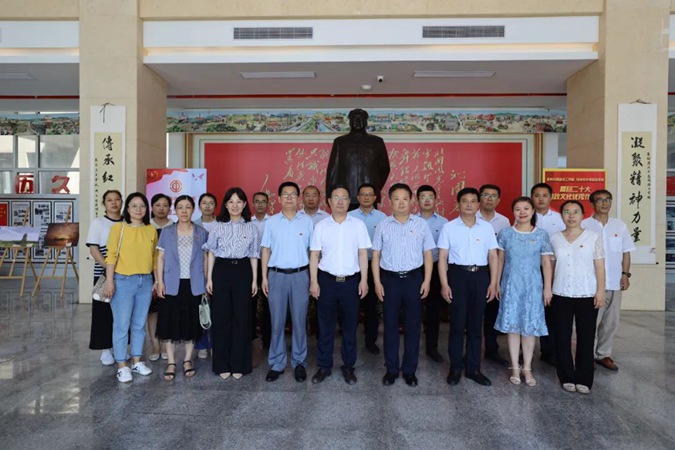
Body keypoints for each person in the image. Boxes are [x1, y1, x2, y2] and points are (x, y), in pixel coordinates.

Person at [372, 183, 434, 387]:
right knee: (390, 325)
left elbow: (427, 254)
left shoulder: (421, 224)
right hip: (389, 280)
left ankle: (409, 370)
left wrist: (426, 280)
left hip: (413, 279)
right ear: (390, 201)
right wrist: (377, 282)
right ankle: (391, 369)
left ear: (411, 201)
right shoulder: (382, 225)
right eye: (396, 199)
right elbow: (376, 255)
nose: (401, 203)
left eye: (405, 199)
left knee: (413, 326)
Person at [309, 186, 371, 384]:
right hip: (326, 282)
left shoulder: (358, 225)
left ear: (349, 201)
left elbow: (363, 253)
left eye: (344, 198)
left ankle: (348, 367)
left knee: (350, 327)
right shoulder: (321, 226)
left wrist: (364, 280)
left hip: (350, 283)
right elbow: (314, 255)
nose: (340, 201)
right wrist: (314, 281)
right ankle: (324, 366)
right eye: (336, 198)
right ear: (329, 201)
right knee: (325, 326)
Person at [438, 187, 499, 387]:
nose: (469, 205)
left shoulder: (486, 228)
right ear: (458, 204)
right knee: (457, 325)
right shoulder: (449, 227)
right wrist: (444, 284)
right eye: (465, 201)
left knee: (475, 325)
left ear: (478, 204)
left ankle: (473, 368)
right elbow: (443, 257)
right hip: (458, 276)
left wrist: (493, 282)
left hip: (480, 276)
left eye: (473, 201)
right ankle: (455, 367)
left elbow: (493, 256)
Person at [495, 197, 553, 387]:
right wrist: (496, 283)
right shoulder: (505, 234)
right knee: (513, 327)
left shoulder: (542, 235)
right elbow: (500, 260)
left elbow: (546, 263)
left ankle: (527, 367)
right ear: (513, 212)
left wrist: (547, 288)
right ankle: (514, 366)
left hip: (533, 287)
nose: (522, 212)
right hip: (511, 285)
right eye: (518, 209)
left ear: (533, 211)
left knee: (530, 327)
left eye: (526, 208)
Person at [550, 200, 605, 394]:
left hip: (587, 293)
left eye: (575, 212)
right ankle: (566, 376)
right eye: (567, 212)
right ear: (561, 215)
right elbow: (551, 266)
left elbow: (600, 266)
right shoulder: (555, 238)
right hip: (561, 292)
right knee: (562, 337)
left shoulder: (593, 237)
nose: (571, 216)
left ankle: (584, 378)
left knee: (586, 337)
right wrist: (548, 289)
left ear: (583, 215)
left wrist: (601, 291)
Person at [260, 181, 314, 383]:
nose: (289, 197)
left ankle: (299, 362)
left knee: (299, 321)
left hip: (300, 275)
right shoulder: (272, 222)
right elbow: (266, 250)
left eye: (293, 194)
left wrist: (313, 279)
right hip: (277, 275)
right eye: (285, 194)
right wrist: (264, 277)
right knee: (277, 322)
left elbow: (313, 252)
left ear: (298, 198)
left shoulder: (306, 221)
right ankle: (277, 363)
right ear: (279, 198)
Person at [204, 187, 259, 379]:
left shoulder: (251, 227)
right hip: (221, 271)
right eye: (231, 202)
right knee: (221, 318)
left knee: (242, 318)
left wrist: (254, 280)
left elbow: (254, 255)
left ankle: (240, 364)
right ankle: (222, 365)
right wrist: (209, 278)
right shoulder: (218, 227)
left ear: (244, 205)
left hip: (243, 271)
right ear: (226, 205)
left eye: (239, 202)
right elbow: (211, 253)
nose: (235, 205)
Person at [103, 192, 158, 383]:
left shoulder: (151, 230)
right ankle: (121, 365)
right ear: (127, 209)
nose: (138, 209)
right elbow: (111, 256)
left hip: (145, 281)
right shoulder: (118, 228)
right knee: (121, 324)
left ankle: (136, 361)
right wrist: (110, 281)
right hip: (123, 281)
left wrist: (156, 280)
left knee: (139, 324)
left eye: (142, 205)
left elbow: (154, 257)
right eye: (134, 206)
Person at [155, 195, 209, 381]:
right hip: (171, 283)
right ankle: (171, 362)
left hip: (194, 283)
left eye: (188, 207)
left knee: (191, 323)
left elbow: (205, 258)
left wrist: (207, 282)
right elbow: (160, 258)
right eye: (180, 207)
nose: (184, 211)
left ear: (193, 209)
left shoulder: (201, 232)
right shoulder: (167, 232)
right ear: (175, 210)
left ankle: (187, 360)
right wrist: (160, 282)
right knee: (169, 323)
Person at [581, 190, 635, 371]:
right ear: (592, 204)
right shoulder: (584, 225)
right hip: (592, 283)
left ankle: (603, 354)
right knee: (591, 321)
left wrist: (625, 274)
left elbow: (626, 252)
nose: (604, 203)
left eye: (607, 200)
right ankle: (586, 356)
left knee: (611, 321)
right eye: (600, 200)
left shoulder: (619, 226)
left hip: (614, 282)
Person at [348, 183, 387, 355]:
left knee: (372, 305)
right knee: (351, 305)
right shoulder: (349, 217)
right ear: (357, 197)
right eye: (362, 194)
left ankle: (371, 340)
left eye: (369, 194)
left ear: (375, 198)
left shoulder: (382, 218)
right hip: (353, 266)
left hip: (374, 266)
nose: (366, 197)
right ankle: (349, 340)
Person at [86, 189, 123, 366]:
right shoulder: (98, 223)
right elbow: (94, 249)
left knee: (122, 313)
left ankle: (119, 347)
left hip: (125, 274)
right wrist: (109, 268)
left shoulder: (127, 222)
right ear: (104, 204)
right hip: (102, 273)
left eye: (117, 199)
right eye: (110, 200)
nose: (114, 203)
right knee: (103, 312)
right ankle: (106, 350)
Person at [326, 108, 391, 210]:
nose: (357, 121)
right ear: (349, 122)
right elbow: (333, 170)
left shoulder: (377, 142)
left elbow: (384, 168)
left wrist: (374, 188)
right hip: (346, 195)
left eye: (361, 119)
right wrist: (330, 195)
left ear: (366, 122)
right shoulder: (340, 142)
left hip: (369, 196)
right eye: (354, 119)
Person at [531, 182, 565, 367]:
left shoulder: (560, 219)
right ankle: (524, 350)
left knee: (550, 311)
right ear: (532, 197)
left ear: (551, 198)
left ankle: (548, 350)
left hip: (553, 270)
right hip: (530, 270)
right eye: (537, 195)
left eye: (544, 195)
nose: (541, 199)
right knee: (529, 308)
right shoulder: (525, 216)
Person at [477, 184, 511, 366]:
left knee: (492, 312)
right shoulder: (471, 217)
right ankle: (472, 350)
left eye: (493, 196)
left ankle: (491, 349)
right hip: (476, 270)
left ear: (499, 200)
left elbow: (505, 249)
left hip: (496, 272)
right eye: (486, 195)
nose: (489, 199)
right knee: (473, 314)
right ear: (479, 198)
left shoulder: (504, 221)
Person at [415, 185, 448, 363]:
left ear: (436, 200)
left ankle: (431, 348)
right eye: (423, 197)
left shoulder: (444, 223)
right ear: (417, 200)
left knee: (433, 310)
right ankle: (412, 348)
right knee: (413, 309)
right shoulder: (411, 221)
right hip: (415, 269)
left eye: (430, 197)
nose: (427, 200)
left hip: (435, 268)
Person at [148, 193, 173, 362]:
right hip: (149, 273)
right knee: (153, 311)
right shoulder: (146, 227)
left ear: (170, 208)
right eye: (158, 205)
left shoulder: (175, 227)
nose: (161, 208)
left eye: (165, 205)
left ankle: (165, 344)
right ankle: (155, 345)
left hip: (171, 273)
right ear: (152, 207)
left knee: (168, 310)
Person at [193, 192, 218, 359]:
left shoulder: (222, 224)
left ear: (215, 206)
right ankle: (202, 344)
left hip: (218, 271)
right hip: (197, 272)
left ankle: (215, 343)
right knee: (200, 309)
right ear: (199, 205)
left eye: (211, 203)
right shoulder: (193, 225)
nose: (207, 206)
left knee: (217, 310)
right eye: (204, 203)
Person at [251, 192, 271, 349]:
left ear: (268, 204)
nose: (260, 204)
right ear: (252, 203)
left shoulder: (273, 222)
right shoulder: (246, 222)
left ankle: (268, 338)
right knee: (249, 302)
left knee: (268, 303)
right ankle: (249, 335)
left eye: (263, 201)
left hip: (269, 265)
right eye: (257, 201)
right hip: (250, 265)